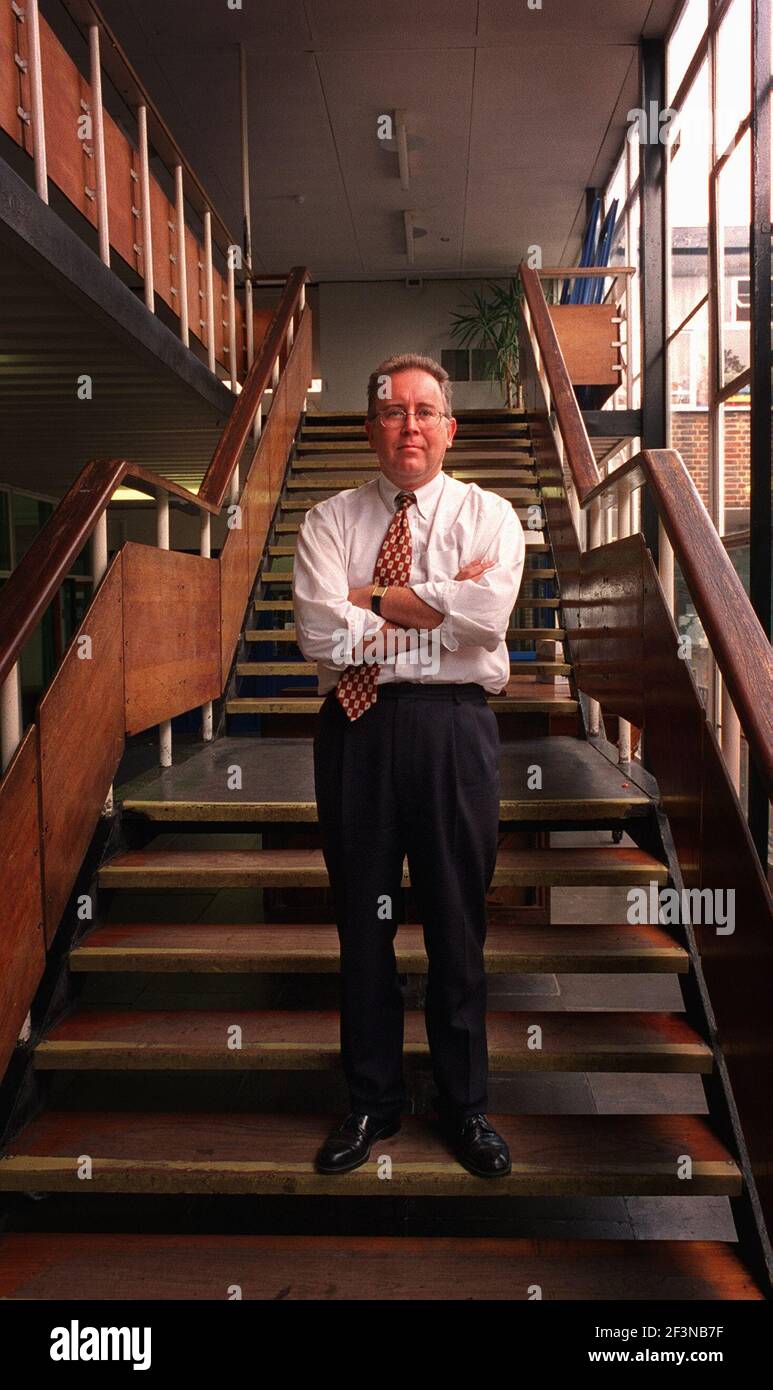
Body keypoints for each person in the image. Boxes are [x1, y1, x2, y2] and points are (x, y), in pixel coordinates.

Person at [292, 353, 525, 1178]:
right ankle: (371, 1102)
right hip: (354, 733)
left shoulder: (490, 514)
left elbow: (487, 619)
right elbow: (321, 637)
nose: (410, 426)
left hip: (452, 734)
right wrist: (438, 607)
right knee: (365, 924)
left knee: (457, 924)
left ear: (449, 428)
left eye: (426, 411)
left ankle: (465, 1109)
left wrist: (369, 598)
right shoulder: (327, 521)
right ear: (370, 428)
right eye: (393, 412)